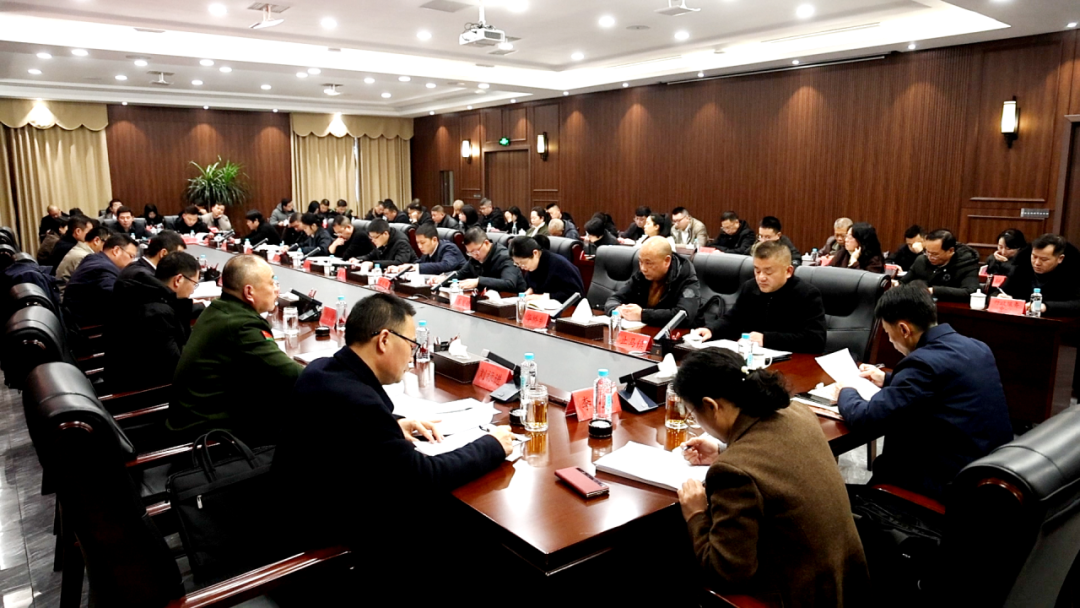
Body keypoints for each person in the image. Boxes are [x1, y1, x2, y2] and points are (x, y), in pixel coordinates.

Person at [270, 293, 513, 571]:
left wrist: (393, 423)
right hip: (330, 539)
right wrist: (491, 445)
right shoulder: (359, 403)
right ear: (384, 340)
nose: (412, 355)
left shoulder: (322, 370)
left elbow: (344, 430)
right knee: (470, 536)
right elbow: (423, 477)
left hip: (295, 513)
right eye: (410, 344)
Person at [676, 348, 870, 606]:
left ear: (711, 406)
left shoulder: (734, 473)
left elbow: (726, 572)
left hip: (797, 598)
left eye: (693, 413)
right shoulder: (797, 412)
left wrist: (696, 514)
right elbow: (774, 456)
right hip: (846, 584)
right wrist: (724, 449)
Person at [836, 282, 1013, 500]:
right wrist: (887, 379)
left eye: (888, 334)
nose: (890, 341)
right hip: (986, 473)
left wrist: (846, 390)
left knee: (838, 497)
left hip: (945, 483)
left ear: (904, 329)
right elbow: (940, 386)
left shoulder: (921, 364)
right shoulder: (976, 347)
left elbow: (867, 418)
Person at [169, 255, 302, 445]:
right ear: (249, 292)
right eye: (272, 282)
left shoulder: (218, 309)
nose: (276, 289)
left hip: (194, 421)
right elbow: (294, 375)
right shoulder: (242, 325)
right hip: (211, 438)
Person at [695, 240, 827, 353]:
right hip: (750, 357)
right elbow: (733, 319)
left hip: (793, 363)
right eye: (757, 271)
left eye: (768, 272)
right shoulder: (750, 287)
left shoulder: (807, 294)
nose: (761, 278)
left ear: (788, 271)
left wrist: (766, 339)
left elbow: (815, 340)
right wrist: (711, 330)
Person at [106, 251, 200, 392]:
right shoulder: (157, 313)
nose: (192, 291)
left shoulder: (141, 293)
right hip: (144, 393)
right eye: (194, 284)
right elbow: (176, 365)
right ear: (178, 280)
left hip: (132, 377)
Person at [605, 236, 699, 328]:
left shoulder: (686, 277)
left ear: (667, 261)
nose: (643, 268)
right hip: (643, 331)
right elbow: (614, 299)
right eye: (640, 262)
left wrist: (642, 315)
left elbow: (684, 316)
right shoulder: (642, 275)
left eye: (648, 263)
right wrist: (618, 310)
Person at [62, 233, 138, 327]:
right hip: (88, 326)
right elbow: (117, 298)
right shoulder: (103, 268)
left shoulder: (95, 258)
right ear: (116, 250)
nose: (132, 262)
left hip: (77, 318)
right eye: (131, 256)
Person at [996, 233, 1080, 316]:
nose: (1037, 263)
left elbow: (1077, 303)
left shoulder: (1073, 273)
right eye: (1034, 257)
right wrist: (1000, 297)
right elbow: (998, 291)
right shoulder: (1022, 267)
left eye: (1044, 259)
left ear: (1060, 258)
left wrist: (1046, 306)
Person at [899, 229, 979, 302]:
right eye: (927, 252)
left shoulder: (966, 263)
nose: (930, 257)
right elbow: (903, 283)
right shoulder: (922, 260)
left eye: (935, 254)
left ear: (950, 251)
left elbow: (970, 291)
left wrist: (933, 290)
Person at [510, 236, 585, 303]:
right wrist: (531, 290)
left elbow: (576, 295)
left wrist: (544, 297)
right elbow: (537, 286)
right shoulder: (532, 266)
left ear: (535, 253)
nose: (522, 267)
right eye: (517, 264)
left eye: (523, 263)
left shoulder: (560, 265)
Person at [452, 227, 527, 293]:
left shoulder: (505, 257)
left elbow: (509, 283)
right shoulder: (474, 259)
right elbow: (459, 275)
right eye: (470, 252)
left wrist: (479, 281)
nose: (474, 255)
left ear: (486, 243)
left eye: (475, 251)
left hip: (511, 299)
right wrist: (446, 279)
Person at [388, 222, 465, 276]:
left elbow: (445, 265)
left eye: (422, 242)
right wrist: (401, 268)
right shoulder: (427, 251)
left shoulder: (449, 248)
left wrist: (415, 267)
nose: (419, 246)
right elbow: (421, 263)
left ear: (434, 240)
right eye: (417, 243)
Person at [56, 224, 108, 289]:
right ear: (96, 240)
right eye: (107, 243)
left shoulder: (81, 250)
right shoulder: (84, 256)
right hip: (64, 292)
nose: (108, 248)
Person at [119, 230, 185, 281]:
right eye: (178, 254)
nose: (180, 260)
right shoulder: (144, 276)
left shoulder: (139, 267)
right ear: (163, 253)